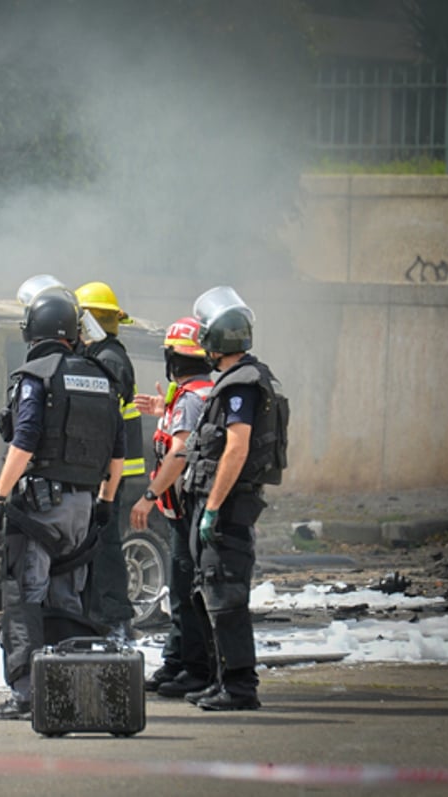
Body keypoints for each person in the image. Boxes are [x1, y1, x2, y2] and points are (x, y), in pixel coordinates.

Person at [0, 286, 125, 720]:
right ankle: (66, 692)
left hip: (39, 510)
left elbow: (24, 441)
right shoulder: (103, 377)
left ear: (34, 331)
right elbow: (117, 451)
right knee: (68, 600)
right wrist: (105, 501)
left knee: (26, 595)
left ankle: (26, 695)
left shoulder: (36, 376)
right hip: (83, 509)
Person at [181, 286, 288, 711]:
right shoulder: (240, 378)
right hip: (220, 503)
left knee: (225, 597)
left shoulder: (241, 384)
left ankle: (240, 688)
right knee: (209, 591)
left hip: (226, 505)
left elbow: (236, 447)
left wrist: (211, 508)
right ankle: (222, 680)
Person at [129, 316, 215, 698]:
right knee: (180, 590)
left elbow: (179, 453)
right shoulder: (192, 394)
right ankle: (178, 661)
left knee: (186, 590)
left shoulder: (192, 399)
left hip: (187, 509)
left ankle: (195, 669)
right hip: (183, 508)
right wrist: (161, 412)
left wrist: (149, 496)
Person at [74, 281, 143, 641]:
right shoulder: (103, 354)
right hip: (105, 470)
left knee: (105, 549)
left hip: (109, 474)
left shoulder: (109, 359)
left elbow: (103, 420)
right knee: (96, 547)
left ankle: (115, 619)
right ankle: (97, 618)